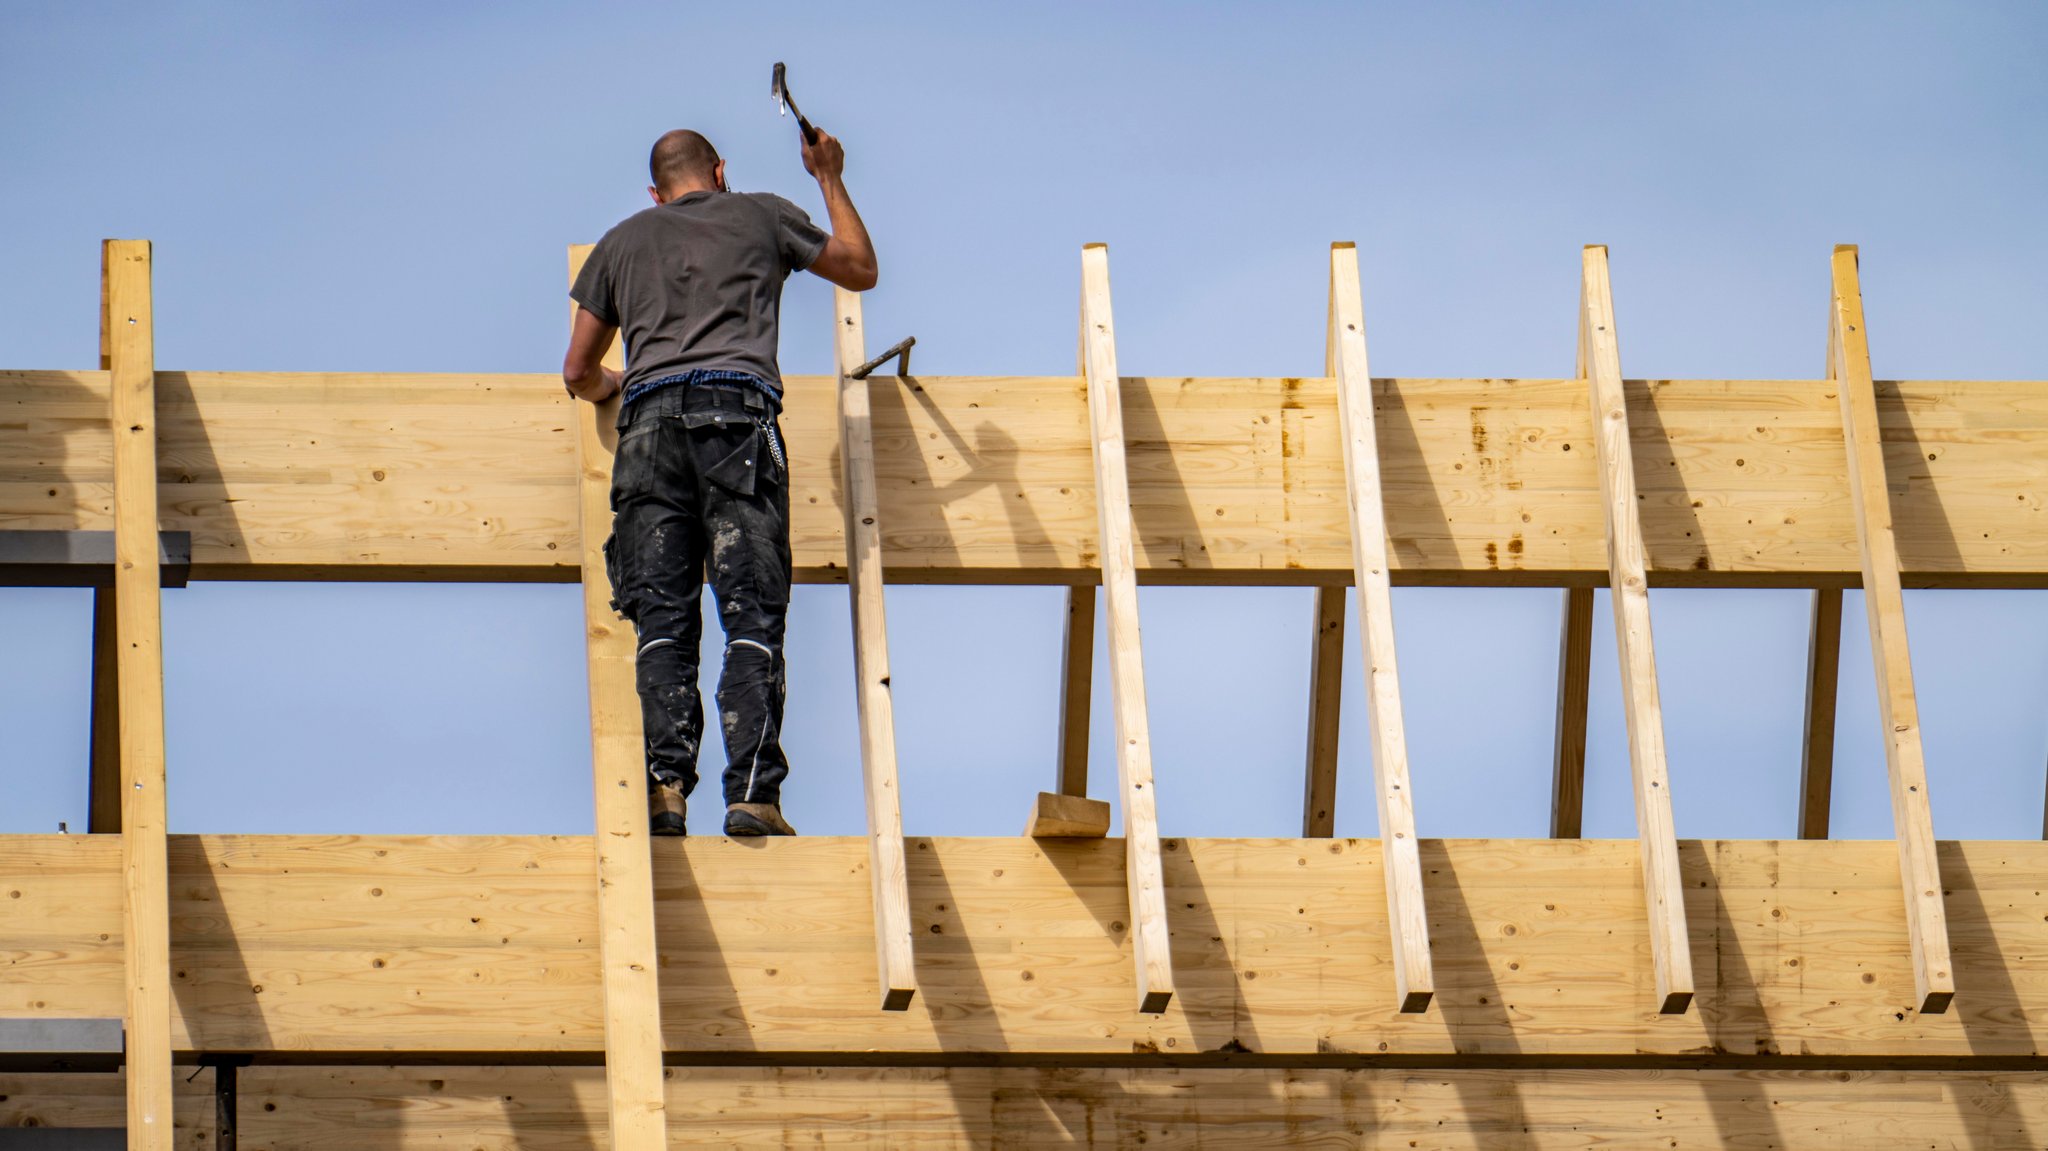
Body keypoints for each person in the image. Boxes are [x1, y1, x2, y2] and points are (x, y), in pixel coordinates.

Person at [562, 126, 876, 837]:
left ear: (655, 192)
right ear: (720, 172)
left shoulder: (621, 242)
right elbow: (859, 267)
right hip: (735, 422)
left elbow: (577, 371)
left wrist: (617, 382)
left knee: (663, 619)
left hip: (645, 433)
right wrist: (827, 175)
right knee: (751, 612)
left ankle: (663, 791)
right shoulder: (763, 214)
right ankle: (753, 795)